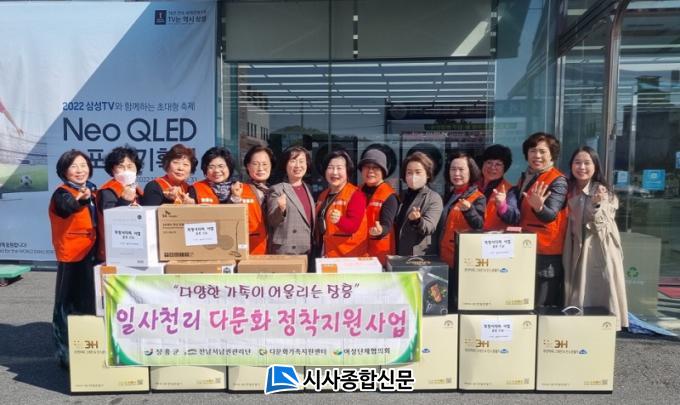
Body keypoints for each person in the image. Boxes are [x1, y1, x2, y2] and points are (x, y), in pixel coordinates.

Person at [497, 132, 569, 308]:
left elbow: (551, 215)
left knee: (542, 306)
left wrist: (539, 207)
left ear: (552, 155)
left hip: (546, 252)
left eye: (542, 151)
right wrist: (502, 206)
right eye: (532, 151)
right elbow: (519, 214)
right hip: (525, 248)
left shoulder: (558, 180)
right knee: (523, 303)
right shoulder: (526, 177)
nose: (537, 156)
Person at [563, 146, 628, 330]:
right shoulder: (567, 188)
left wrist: (596, 204)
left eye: (587, 163)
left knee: (595, 291)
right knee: (575, 289)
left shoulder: (602, 191)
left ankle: (599, 332)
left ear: (595, 166)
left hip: (596, 249)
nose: (582, 167)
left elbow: (600, 224)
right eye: (577, 162)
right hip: (573, 245)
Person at [48, 150, 97, 368]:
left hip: (92, 253)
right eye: (74, 166)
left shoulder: (92, 189)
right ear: (64, 171)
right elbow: (66, 208)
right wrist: (82, 200)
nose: (80, 170)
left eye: (83, 165)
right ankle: (66, 354)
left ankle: (90, 348)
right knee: (68, 303)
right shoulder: (62, 193)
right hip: (73, 256)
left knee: (90, 301)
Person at [438, 150, 486, 269]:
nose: (456, 173)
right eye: (453, 169)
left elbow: (479, 225)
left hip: (462, 259)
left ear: (471, 171)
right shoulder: (449, 194)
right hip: (444, 256)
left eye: (461, 169)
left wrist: (469, 210)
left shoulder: (478, 197)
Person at [95, 146, 144, 263]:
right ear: (112, 170)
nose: (126, 171)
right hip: (113, 252)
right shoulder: (108, 191)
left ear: (136, 168)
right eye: (121, 167)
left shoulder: (136, 189)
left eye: (130, 166)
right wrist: (124, 201)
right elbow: (110, 219)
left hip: (135, 247)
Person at [315, 150, 367, 258]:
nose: (334, 172)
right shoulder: (323, 195)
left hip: (347, 257)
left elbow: (353, 226)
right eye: (330, 167)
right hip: (326, 253)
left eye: (339, 168)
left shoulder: (356, 195)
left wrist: (340, 220)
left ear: (347, 171)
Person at [267, 146, 315, 257]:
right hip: (287, 251)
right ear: (285, 164)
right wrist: (281, 209)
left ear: (307, 164)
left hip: (307, 250)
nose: (298, 165)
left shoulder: (308, 189)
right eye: (293, 161)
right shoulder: (278, 189)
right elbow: (272, 220)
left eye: (301, 161)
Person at [394, 151, 443, 256]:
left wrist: (417, 221)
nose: (413, 176)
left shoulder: (434, 198)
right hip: (398, 252)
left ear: (427, 174)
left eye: (418, 172)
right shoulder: (401, 195)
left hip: (418, 256)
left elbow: (429, 227)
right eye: (409, 172)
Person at [230, 145, 274, 255]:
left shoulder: (277, 191)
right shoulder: (239, 189)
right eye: (255, 164)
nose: (260, 168)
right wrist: (235, 198)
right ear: (248, 166)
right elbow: (230, 219)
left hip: (275, 251)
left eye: (265, 164)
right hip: (250, 250)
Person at [359, 148, 398, 265]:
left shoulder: (389, 195)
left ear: (383, 172)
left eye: (375, 168)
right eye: (367, 167)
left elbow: (387, 225)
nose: (370, 171)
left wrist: (380, 230)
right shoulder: (356, 191)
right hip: (358, 253)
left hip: (379, 256)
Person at [478, 144, 513, 231]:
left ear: (505, 168)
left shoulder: (510, 190)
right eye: (489, 162)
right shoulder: (472, 186)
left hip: (494, 237)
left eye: (498, 164)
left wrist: (502, 206)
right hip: (469, 235)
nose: (492, 167)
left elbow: (514, 218)